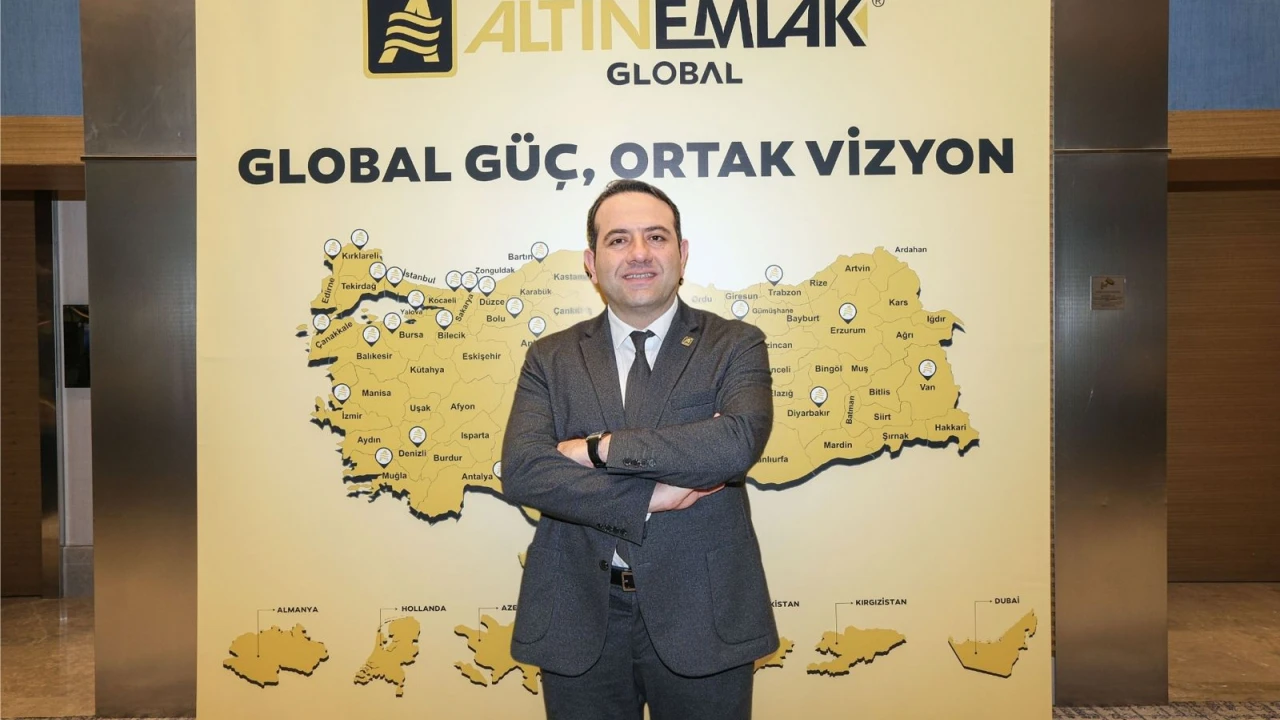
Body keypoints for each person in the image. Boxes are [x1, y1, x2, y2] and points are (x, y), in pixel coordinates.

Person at [501, 179, 779, 719]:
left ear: (682, 253)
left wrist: (597, 449)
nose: (639, 254)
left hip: (705, 612)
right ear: (591, 262)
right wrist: (648, 497)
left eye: (656, 236)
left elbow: (735, 442)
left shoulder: (735, 345)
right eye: (618, 240)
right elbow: (525, 472)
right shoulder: (550, 358)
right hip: (579, 613)